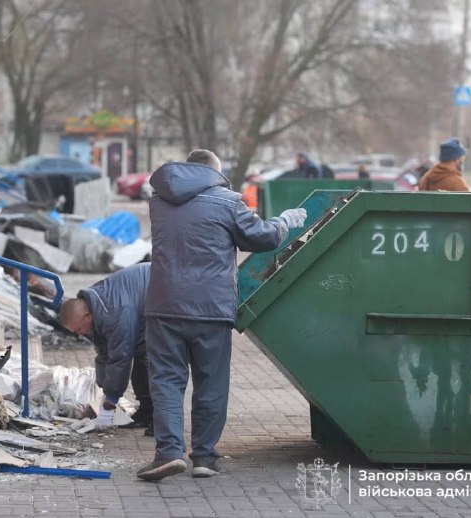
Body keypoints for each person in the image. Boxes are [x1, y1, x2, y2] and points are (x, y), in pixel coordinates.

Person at [138, 149, 306, 481]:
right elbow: (263, 238)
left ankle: (168, 453)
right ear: (216, 173)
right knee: (210, 383)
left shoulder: (158, 202)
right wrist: (285, 220)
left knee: (166, 382)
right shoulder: (228, 201)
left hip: (164, 305)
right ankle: (204, 457)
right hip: (211, 308)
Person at [60, 263, 154, 435]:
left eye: (79, 330)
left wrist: (110, 401)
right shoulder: (94, 306)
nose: (80, 335)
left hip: (159, 296)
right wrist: (104, 393)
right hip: (140, 307)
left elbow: (120, 357)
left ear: (87, 315)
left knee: (150, 359)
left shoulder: (113, 313)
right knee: (141, 354)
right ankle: (147, 412)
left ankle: (161, 420)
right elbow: (105, 353)